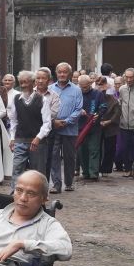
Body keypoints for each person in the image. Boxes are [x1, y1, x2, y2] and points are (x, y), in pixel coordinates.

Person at [46, 62, 82, 194]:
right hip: (53, 128)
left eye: (65, 72)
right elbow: (44, 108)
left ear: (69, 74)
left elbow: (78, 109)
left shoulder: (76, 90)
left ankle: (69, 182)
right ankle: (56, 184)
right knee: (53, 156)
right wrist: (53, 121)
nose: (62, 74)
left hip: (70, 129)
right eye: (60, 72)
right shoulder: (49, 88)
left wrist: (66, 121)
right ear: (56, 73)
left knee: (69, 157)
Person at [9, 71, 51, 176]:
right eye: (21, 82)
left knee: (37, 172)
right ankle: (16, 187)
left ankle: (38, 188)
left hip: (38, 142)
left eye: (25, 82)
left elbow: (47, 123)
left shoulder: (42, 99)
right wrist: (12, 138)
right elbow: (13, 120)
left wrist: (38, 138)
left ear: (33, 82)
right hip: (20, 140)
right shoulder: (16, 99)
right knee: (17, 170)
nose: (23, 85)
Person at [77, 73, 107, 181]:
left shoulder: (98, 94)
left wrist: (99, 114)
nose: (84, 89)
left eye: (86, 87)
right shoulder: (77, 94)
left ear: (90, 83)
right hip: (80, 126)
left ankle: (94, 173)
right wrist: (79, 110)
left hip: (94, 126)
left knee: (94, 149)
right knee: (82, 150)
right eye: (82, 87)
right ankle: (85, 172)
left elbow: (104, 106)